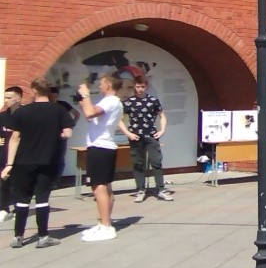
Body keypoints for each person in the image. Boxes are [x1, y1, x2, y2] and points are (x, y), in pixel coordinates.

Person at [2, 78, 73, 248]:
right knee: (42, 198)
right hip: (48, 161)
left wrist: (9, 164)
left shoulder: (23, 112)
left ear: (34, 90)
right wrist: (55, 135)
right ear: (49, 91)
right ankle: (43, 236)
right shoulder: (59, 110)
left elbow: (15, 139)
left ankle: (18, 237)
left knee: (22, 199)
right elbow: (68, 133)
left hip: (23, 161)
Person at [78, 73, 124, 241]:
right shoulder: (114, 102)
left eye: (102, 83)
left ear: (109, 85)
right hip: (104, 146)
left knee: (99, 187)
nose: (99, 86)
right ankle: (105, 222)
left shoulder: (110, 101)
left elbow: (90, 113)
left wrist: (86, 95)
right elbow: (90, 115)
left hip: (100, 147)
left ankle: (106, 226)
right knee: (105, 186)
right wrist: (83, 101)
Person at [119, 77, 173, 203]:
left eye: (142, 87)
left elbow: (162, 116)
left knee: (156, 161)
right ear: (134, 87)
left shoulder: (153, 100)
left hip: (151, 135)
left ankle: (161, 190)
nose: (140, 89)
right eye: (138, 87)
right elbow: (119, 120)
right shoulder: (129, 102)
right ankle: (140, 190)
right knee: (138, 163)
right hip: (136, 136)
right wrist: (128, 133)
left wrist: (162, 130)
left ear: (146, 87)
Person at [0, 86, 24, 222]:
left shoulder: (26, 115)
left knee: (18, 183)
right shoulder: (2, 116)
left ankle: (18, 208)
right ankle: (3, 208)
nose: (6, 100)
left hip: (22, 155)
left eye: (9, 98)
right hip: (4, 154)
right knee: (3, 182)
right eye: (5, 97)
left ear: (18, 99)